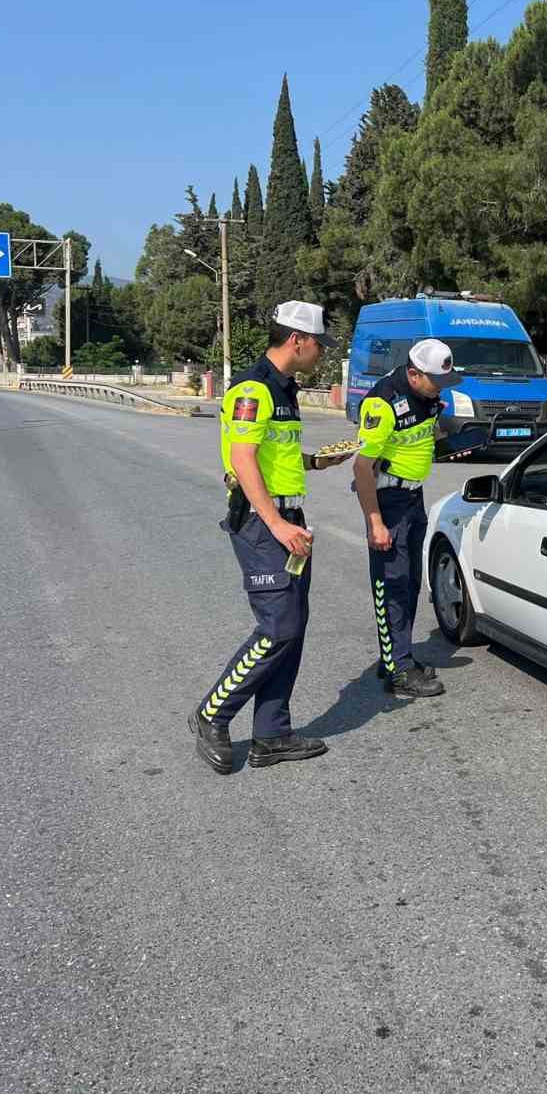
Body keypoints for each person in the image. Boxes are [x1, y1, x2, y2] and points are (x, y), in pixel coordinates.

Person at [189, 301, 348, 775]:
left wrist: (316, 462)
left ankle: (272, 734)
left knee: (293, 626)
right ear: (297, 340)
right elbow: (243, 460)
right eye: (319, 344)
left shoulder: (284, 389)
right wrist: (277, 524)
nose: (322, 352)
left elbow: (271, 455)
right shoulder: (253, 388)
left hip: (288, 516)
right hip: (263, 524)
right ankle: (212, 714)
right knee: (279, 627)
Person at [353, 337, 466, 698]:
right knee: (391, 585)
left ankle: (397, 657)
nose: (440, 388)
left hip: (413, 496)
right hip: (388, 500)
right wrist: (375, 523)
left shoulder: (427, 396)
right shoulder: (383, 403)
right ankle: (398, 670)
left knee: (411, 582)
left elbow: (424, 438)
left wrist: (449, 440)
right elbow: (362, 468)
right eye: (436, 381)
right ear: (414, 374)